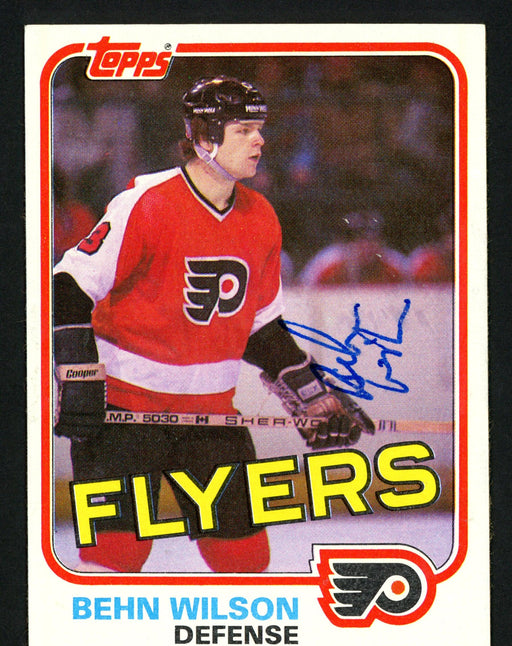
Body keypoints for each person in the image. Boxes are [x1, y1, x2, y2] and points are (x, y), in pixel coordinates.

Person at [53, 76, 374, 574]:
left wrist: (313, 393)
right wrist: (78, 377)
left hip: (212, 419)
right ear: (204, 139)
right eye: (243, 129)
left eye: (259, 128)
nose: (259, 140)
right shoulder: (145, 202)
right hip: (124, 415)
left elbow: (260, 330)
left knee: (245, 560)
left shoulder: (261, 216)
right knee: (114, 559)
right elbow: (68, 287)